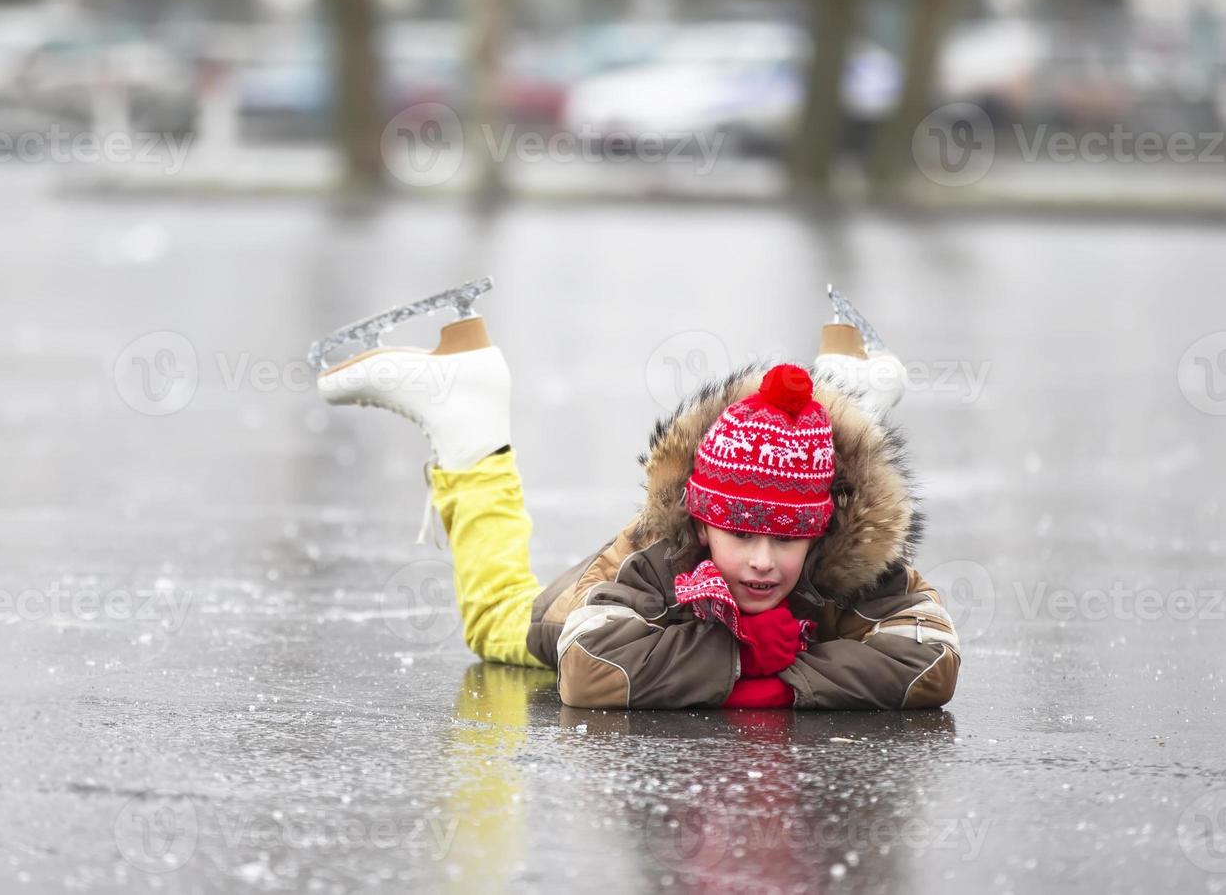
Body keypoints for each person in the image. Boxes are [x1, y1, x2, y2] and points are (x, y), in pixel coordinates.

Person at [315, 302, 959, 710]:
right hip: (592, 602)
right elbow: (591, 669)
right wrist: (747, 656)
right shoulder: (661, 555)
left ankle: (846, 401)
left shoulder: (851, 553)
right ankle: (467, 412)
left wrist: (771, 678)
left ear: (819, 530)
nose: (762, 562)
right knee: (494, 622)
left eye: (786, 539)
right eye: (741, 534)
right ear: (704, 522)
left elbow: (928, 660)